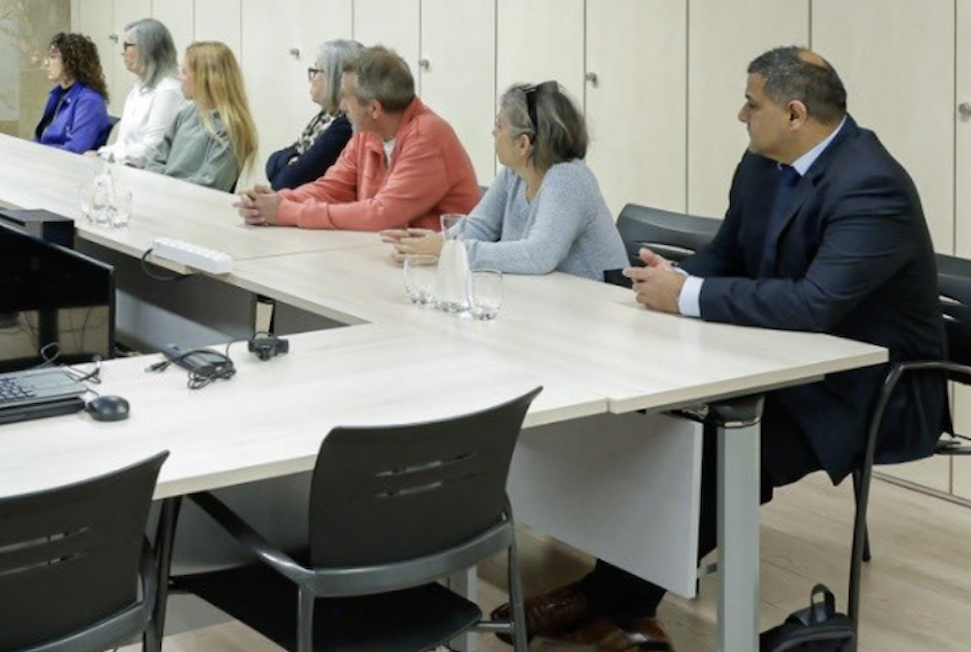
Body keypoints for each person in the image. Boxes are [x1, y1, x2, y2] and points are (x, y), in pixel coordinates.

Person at [501, 48, 948, 651]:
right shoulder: (763, 160)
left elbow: (815, 303)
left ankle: (615, 603)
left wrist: (691, 296)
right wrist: (670, 279)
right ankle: (620, 602)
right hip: (775, 355)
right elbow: (730, 255)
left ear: (794, 113)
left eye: (751, 103)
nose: (741, 115)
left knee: (713, 444)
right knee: (655, 419)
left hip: (868, 386)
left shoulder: (872, 184)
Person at [382, 81, 624, 279]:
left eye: (499, 126)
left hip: (595, 311)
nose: (493, 132)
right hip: (548, 302)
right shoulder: (514, 173)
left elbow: (537, 256)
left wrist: (451, 251)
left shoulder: (569, 179)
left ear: (523, 144)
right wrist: (433, 242)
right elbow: (480, 227)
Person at [236, 46, 479, 231]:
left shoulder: (428, 137)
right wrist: (273, 201)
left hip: (433, 274)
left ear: (373, 108)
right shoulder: (366, 134)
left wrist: (285, 212)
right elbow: (332, 188)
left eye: (345, 97)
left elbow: (381, 215)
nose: (341, 106)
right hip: (383, 257)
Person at [144, 42, 258, 193]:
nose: (179, 78)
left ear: (205, 78)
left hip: (195, 208)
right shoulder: (186, 113)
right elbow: (156, 159)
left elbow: (211, 185)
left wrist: (164, 185)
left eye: (185, 72)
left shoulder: (231, 128)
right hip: (166, 197)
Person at [264, 39, 361, 191]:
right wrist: (291, 159)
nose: (312, 79)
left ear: (335, 78)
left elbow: (286, 182)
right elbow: (270, 163)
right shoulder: (324, 118)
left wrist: (293, 160)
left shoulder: (344, 127)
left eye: (316, 71)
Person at [92, 18, 184, 167]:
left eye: (127, 45)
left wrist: (105, 155)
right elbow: (122, 144)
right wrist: (102, 153)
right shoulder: (138, 89)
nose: (123, 52)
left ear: (147, 49)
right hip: (125, 169)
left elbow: (152, 151)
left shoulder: (168, 91)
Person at [35, 33, 111, 153]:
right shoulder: (56, 95)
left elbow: (76, 149)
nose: (46, 63)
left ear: (70, 62)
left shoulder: (90, 101)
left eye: (53, 57)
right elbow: (40, 137)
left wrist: (39, 153)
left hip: (68, 166)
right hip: (49, 160)